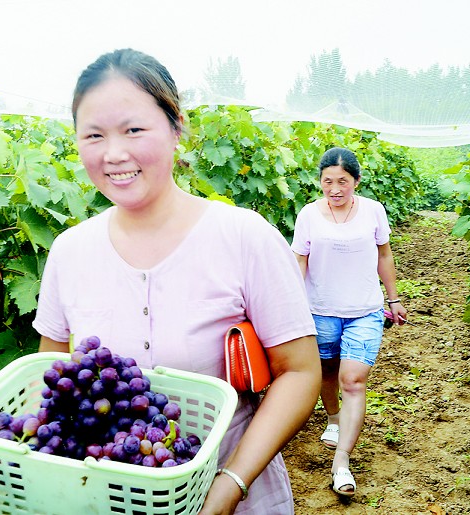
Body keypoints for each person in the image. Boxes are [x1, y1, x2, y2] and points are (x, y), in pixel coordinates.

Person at [32, 48, 321, 515]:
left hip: (233, 491)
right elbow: (53, 374)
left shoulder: (243, 236)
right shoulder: (69, 251)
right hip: (109, 499)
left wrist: (228, 487)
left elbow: (300, 372)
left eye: (133, 129)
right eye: (94, 135)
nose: (114, 154)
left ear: (175, 127)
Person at [291, 147, 408, 497]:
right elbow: (299, 261)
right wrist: (293, 306)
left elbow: (384, 255)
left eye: (342, 181)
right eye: (328, 182)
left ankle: (341, 460)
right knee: (326, 370)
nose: (335, 189)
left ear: (356, 181)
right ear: (320, 183)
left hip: (365, 310)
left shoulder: (373, 211)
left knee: (353, 379)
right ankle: (333, 419)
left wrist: (394, 297)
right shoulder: (309, 215)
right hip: (321, 309)